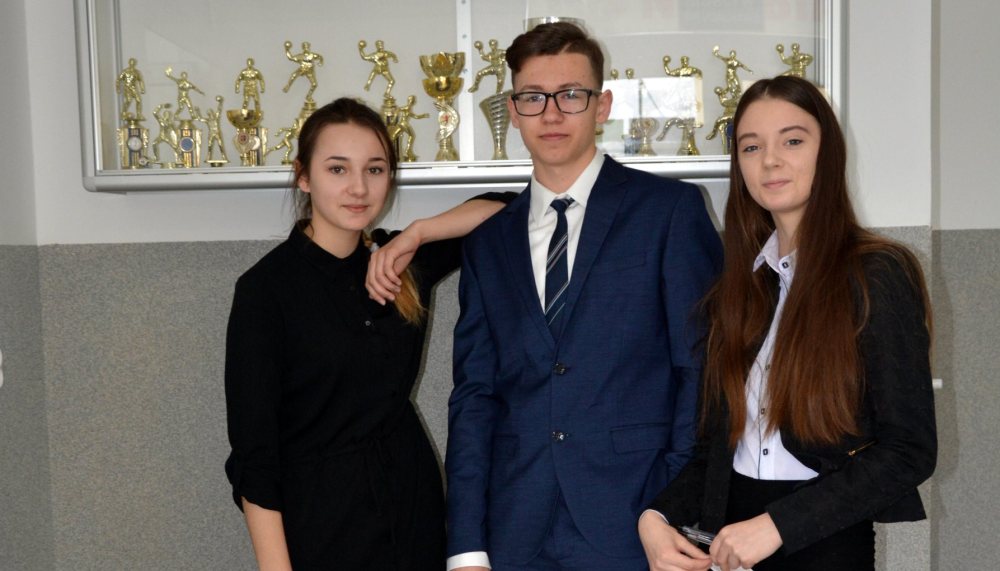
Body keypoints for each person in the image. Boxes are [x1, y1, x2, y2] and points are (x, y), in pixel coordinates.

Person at [441, 22, 722, 570]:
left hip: (639, 524)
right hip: (514, 530)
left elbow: (704, 374)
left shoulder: (668, 212)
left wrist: (672, 509)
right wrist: (466, 546)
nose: (551, 113)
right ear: (513, 110)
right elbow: (474, 398)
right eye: (533, 97)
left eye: (571, 94)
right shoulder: (487, 244)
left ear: (602, 106)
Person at [638, 76, 936, 571]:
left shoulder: (876, 273)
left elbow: (908, 450)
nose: (770, 161)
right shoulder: (738, 289)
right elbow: (716, 449)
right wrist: (657, 516)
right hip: (730, 546)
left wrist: (777, 526)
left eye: (792, 141)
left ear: (828, 152)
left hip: (825, 544)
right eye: (751, 147)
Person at [224, 97, 512, 570]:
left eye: (375, 170)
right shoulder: (266, 290)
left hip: (414, 518)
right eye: (338, 169)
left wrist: (418, 233)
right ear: (303, 176)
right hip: (322, 529)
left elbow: (512, 208)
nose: (358, 187)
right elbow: (254, 457)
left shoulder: (399, 264)